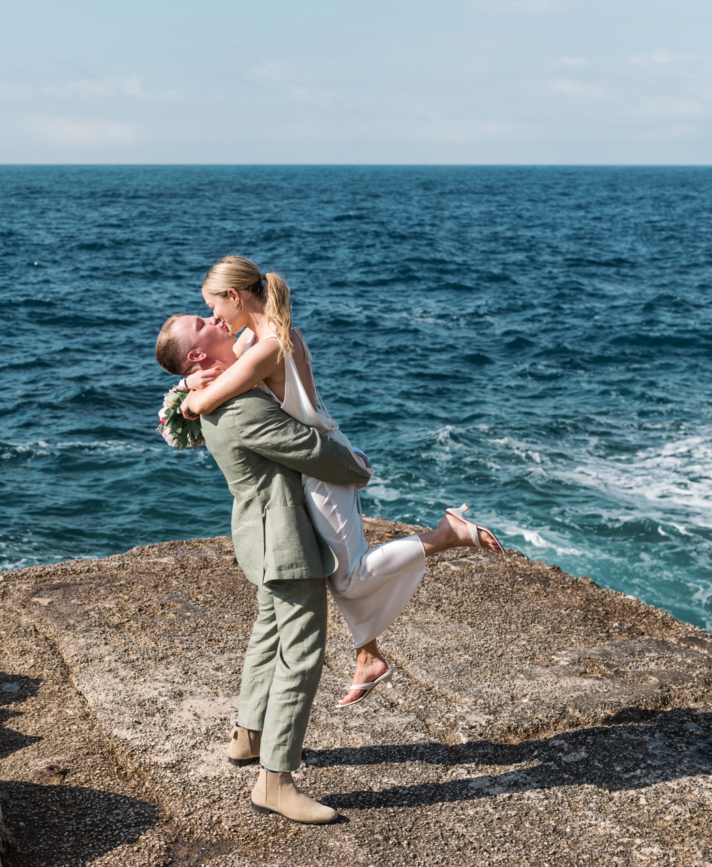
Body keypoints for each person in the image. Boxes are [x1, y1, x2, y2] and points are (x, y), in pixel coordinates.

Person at [179, 255, 502, 709]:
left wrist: (186, 400)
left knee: (349, 578)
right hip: (320, 458)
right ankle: (367, 656)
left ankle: (448, 534)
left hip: (323, 470)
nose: (214, 318)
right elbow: (223, 372)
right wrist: (200, 376)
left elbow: (207, 399)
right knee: (340, 569)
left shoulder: (267, 345)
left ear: (235, 297)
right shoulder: (265, 335)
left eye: (213, 308)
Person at [155, 310, 369, 824]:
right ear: (198, 355)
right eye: (202, 321)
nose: (213, 317)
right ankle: (275, 780)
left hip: (261, 535)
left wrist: (188, 383)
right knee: (301, 653)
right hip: (284, 541)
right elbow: (306, 448)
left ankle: (248, 737)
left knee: (270, 634)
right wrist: (356, 467)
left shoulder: (218, 391)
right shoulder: (239, 406)